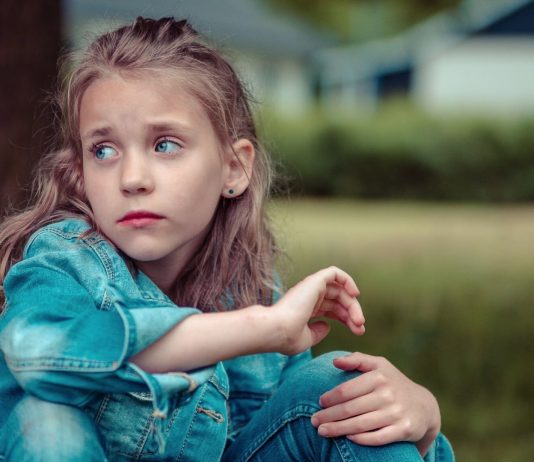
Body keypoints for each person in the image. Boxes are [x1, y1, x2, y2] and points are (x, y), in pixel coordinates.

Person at [0, 17, 453, 462]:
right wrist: (263, 328)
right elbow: (35, 354)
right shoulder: (63, 260)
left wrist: (425, 419)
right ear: (80, 175)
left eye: (164, 144)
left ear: (234, 168)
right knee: (47, 421)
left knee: (339, 391)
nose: (131, 178)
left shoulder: (249, 288)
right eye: (103, 150)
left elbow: (307, 421)